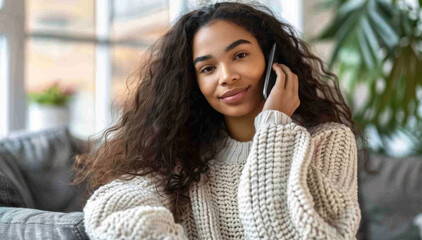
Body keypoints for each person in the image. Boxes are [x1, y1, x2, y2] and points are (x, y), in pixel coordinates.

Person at [74, 2, 363, 239]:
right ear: (192, 82)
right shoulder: (183, 155)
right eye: (208, 68)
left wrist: (274, 128)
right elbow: (112, 207)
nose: (226, 76)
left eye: (240, 55)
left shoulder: (329, 142)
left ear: (274, 60)